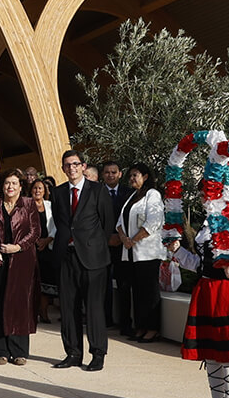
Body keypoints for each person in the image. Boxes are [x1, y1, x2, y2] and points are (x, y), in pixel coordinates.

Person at [168, 208, 229, 398]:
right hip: (206, 291)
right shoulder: (204, 229)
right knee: (211, 353)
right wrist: (177, 251)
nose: (207, 200)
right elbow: (198, 264)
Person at [53, 149, 115, 371]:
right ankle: (73, 353)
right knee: (68, 308)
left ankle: (98, 354)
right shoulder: (58, 192)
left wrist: (94, 245)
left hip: (93, 259)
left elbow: (107, 223)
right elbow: (62, 224)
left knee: (94, 308)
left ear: (83, 166)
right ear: (63, 168)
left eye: (75, 164)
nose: (72, 168)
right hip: (66, 257)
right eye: (67, 165)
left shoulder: (97, 190)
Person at [0, 169, 40, 365]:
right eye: (7, 183)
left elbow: (35, 231)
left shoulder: (28, 204)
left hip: (22, 261)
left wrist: (18, 246)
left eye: (14, 183)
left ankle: (19, 351)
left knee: (19, 305)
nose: (10, 187)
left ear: (21, 186)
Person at [115, 163, 164, 343]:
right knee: (137, 292)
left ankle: (153, 328)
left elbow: (153, 222)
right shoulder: (132, 197)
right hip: (131, 253)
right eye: (130, 176)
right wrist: (124, 238)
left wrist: (133, 240)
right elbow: (120, 221)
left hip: (147, 253)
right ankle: (141, 325)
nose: (132, 179)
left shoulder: (153, 195)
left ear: (145, 176)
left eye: (135, 175)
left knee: (149, 292)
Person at [98, 160, 125, 329]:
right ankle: (105, 319)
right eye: (107, 172)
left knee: (123, 284)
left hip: (124, 245)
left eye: (114, 172)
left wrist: (121, 237)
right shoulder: (96, 192)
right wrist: (107, 237)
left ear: (120, 174)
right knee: (103, 285)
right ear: (102, 175)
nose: (110, 175)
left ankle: (124, 322)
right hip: (102, 245)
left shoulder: (129, 193)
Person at [29, 176, 58, 323]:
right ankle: (32, 313)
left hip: (47, 247)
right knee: (32, 282)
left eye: (40, 188)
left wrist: (47, 240)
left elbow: (56, 226)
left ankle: (44, 312)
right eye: (34, 188)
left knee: (46, 283)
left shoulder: (50, 206)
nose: (37, 190)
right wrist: (34, 241)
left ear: (45, 190)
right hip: (31, 248)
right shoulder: (25, 206)